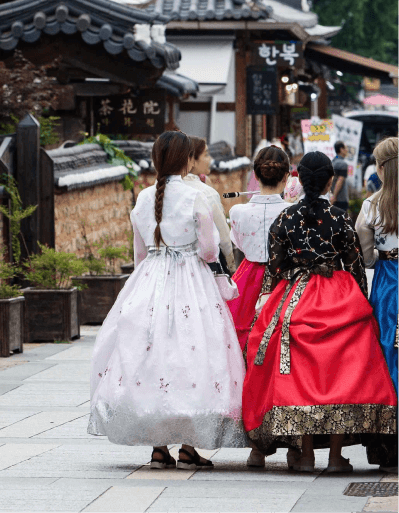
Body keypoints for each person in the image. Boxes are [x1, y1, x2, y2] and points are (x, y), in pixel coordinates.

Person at [88, 131, 247, 469]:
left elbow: (140, 252)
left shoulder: (144, 199)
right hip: (192, 282)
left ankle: (159, 446)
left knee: (154, 357)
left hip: (150, 281)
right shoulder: (195, 197)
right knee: (194, 357)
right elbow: (208, 249)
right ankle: (189, 444)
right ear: (188, 160)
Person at [242, 151, 397, 474]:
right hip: (337, 295)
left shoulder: (284, 219)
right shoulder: (339, 218)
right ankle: (336, 457)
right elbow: (355, 266)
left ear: (298, 179)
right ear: (329, 181)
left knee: (301, 374)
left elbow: (276, 266)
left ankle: (306, 453)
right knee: (340, 373)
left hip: (296, 295)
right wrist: (362, 304)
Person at [356, 136, 398, 471]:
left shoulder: (372, 205)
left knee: (386, 350)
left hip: (387, 281)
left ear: (381, 168)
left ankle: (387, 438)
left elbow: (366, 256)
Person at [227, 146, 290, 354]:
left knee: (242, 336)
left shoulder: (238, 211)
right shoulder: (293, 212)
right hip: (284, 278)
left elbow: (239, 243)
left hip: (248, 276)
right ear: (286, 177)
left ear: (255, 175)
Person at [183, 136, 235, 274]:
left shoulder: (160, 190)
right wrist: (231, 264)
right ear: (192, 160)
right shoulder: (206, 192)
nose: (210, 160)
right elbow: (223, 235)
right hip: (205, 267)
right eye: (206, 155)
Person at [330, 140, 349, 211]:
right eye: (345, 148)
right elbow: (340, 181)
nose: (347, 150)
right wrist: (334, 197)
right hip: (340, 199)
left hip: (331, 197)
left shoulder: (332, 162)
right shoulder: (342, 164)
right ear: (341, 149)